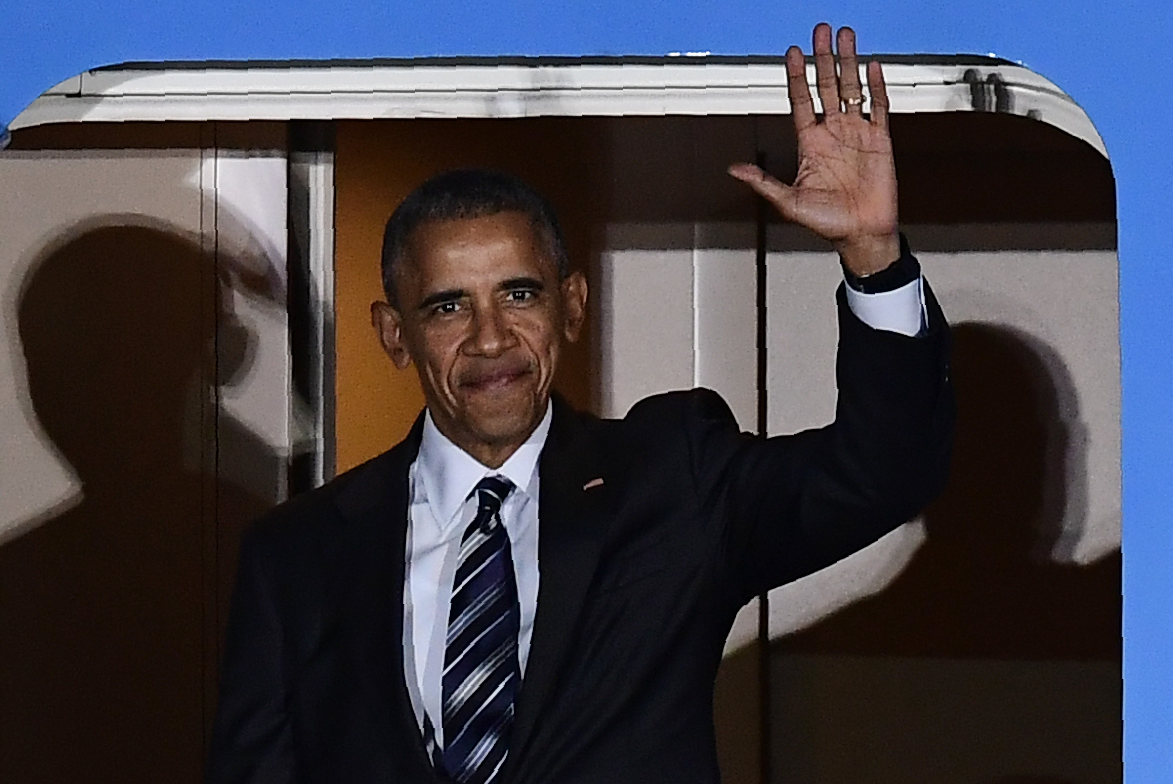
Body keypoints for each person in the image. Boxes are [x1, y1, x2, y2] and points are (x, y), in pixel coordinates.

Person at [206, 22, 954, 784]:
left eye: (519, 295)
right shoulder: (295, 557)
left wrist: (873, 256)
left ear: (572, 305)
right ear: (394, 335)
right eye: (448, 308)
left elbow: (881, 472)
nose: (491, 339)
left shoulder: (674, 480)